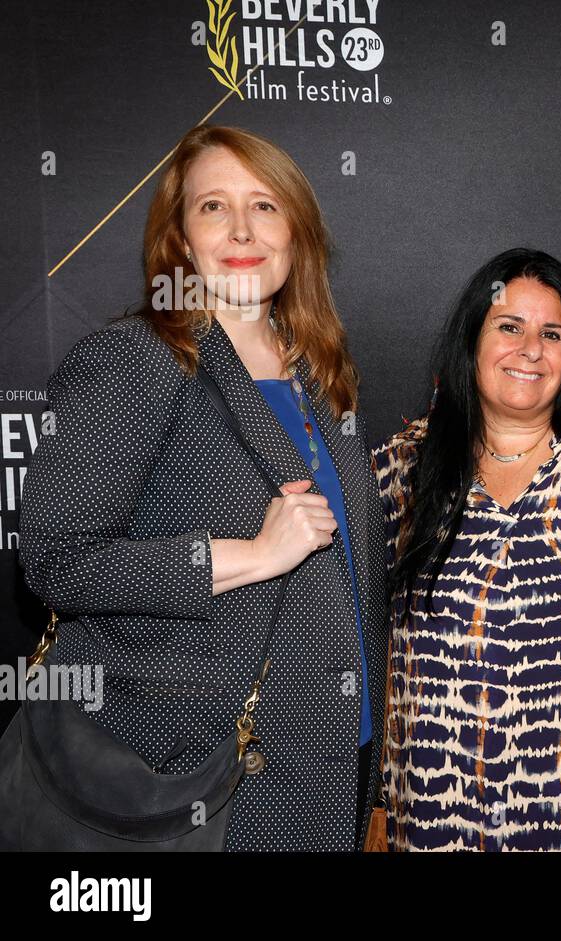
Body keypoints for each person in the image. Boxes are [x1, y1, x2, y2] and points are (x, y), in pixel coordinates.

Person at [15, 124, 388, 851]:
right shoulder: (137, 358)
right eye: (213, 206)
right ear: (181, 240)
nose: (243, 228)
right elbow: (56, 558)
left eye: (265, 205)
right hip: (210, 768)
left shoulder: (320, 371)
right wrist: (248, 554)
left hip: (335, 751)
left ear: (298, 232)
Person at [372, 248, 561, 851]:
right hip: (442, 816)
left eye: (552, 333)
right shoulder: (400, 470)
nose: (530, 349)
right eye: (508, 326)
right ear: (472, 341)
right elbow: (364, 638)